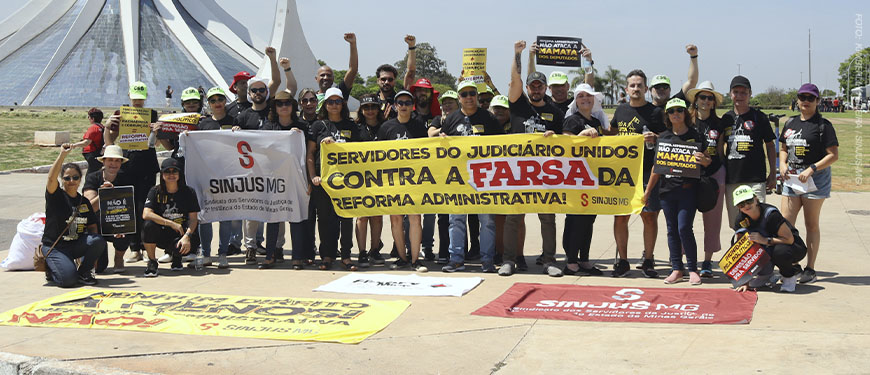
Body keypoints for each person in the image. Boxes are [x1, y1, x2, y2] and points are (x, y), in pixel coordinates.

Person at [502, 40, 564, 277]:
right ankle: (509, 260)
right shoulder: (517, 105)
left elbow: (566, 138)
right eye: (532, 86)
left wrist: (555, 138)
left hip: (545, 173)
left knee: (547, 218)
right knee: (513, 217)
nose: (536, 89)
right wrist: (517, 54)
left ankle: (549, 260)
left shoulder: (555, 112)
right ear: (527, 88)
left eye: (540, 86)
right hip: (518, 171)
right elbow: (515, 78)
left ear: (546, 88)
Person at [644, 98, 712, 285]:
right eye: (672, 110)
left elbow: (708, 160)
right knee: (671, 230)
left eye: (679, 110)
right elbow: (656, 167)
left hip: (688, 190)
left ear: (685, 114)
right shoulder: (663, 137)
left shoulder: (695, 135)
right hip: (666, 192)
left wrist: (703, 160)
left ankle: (692, 269)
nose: (676, 113)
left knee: (684, 228)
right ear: (667, 115)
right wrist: (647, 192)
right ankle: (676, 268)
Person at [439, 81, 504, 273]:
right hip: (457, 179)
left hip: (484, 178)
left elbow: (502, 145)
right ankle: (456, 259)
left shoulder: (489, 118)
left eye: (472, 93)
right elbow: (441, 150)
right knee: (456, 220)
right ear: (459, 98)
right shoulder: (451, 119)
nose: (469, 97)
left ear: (477, 96)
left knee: (487, 221)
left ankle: (487, 260)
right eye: (465, 94)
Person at [779, 83, 839, 284]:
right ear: (797, 100)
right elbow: (783, 147)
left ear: (817, 101)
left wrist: (812, 168)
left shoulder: (823, 126)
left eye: (810, 98)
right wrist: (782, 163)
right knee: (785, 224)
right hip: (792, 179)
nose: (805, 101)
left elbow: (833, 155)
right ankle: (792, 264)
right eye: (802, 97)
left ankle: (810, 269)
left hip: (815, 180)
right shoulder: (790, 123)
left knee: (811, 224)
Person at [607, 69, 663, 278]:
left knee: (649, 217)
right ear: (626, 89)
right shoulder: (620, 111)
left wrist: (655, 138)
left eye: (640, 85)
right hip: (623, 173)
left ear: (646, 89)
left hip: (648, 172)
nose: (636, 88)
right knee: (620, 217)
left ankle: (648, 260)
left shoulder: (656, 112)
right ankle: (622, 261)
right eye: (632, 85)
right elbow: (611, 136)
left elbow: (667, 138)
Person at [104, 82, 160, 265]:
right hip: (127, 164)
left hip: (146, 165)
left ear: (145, 97)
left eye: (140, 97)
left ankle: (147, 247)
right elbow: (111, 141)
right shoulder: (121, 113)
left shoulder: (151, 114)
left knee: (145, 207)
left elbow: (154, 143)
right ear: (129, 95)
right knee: (129, 208)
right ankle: (134, 249)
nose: (137, 100)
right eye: (135, 96)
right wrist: (109, 127)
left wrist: (154, 131)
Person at [309, 87, 361, 271]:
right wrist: (313, 176)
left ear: (343, 104)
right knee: (325, 219)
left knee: (345, 218)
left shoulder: (351, 125)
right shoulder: (318, 125)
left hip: (346, 181)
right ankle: (327, 255)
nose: (334, 105)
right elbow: (310, 154)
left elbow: (360, 152)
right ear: (325, 104)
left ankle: (346, 256)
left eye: (337, 101)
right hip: (323, 181)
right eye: (330, 102)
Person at [377, 90, 429, 271]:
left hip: (415, 180)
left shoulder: (420, 126)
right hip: (393, 180)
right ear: (395, 105)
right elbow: (377, 155)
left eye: (408, 102)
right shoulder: (386, 127)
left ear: (412, 105)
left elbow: (428, 152)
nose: (404, 106)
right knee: (396, 219)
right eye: (400, 102)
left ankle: (416, 260)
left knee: (415, 217)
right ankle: (401, 257)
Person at [259, 90, 311, 270]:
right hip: (274, 179)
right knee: (273, 217)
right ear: (274, 107)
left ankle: (297, 257)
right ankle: (270, 255)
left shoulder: (302, 127)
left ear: (293, 106)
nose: (283, 107)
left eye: (287, 103)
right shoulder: (268, 127)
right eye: (279, 104)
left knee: (296, 218)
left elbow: (308, 155)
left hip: (296, 177)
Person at [40, 144, 104, 287]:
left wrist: (92, 257)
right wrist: (62, 154)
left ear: (80, 179)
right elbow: (51, 179)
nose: (71, 181)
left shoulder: (84, 201)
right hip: (56, 246)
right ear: (62, 180)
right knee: (68, 281)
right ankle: (52, 268)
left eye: (75, 177)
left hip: (75, 245)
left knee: (98, 240)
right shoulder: (56, 196)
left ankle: (84, 272)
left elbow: (92, 226)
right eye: (67, 178)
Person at [561, 84, 608, 276]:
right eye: (580, 96)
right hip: (575, 178)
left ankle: (585, 259)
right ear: (576, 101)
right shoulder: (572, 120)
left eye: (588, 96)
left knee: (589, 220)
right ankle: (571, 261)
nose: (585, 99)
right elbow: (564, 144)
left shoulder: (597, 121)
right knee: (576, 220)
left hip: (593, 177)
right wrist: (582, 135)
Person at [196, 87, 243, 269]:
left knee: (225, 216)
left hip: (228, 175)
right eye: (213, 100)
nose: (217, 103)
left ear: (225, 101)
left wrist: (239, 131)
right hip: (208, 175)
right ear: (208, 103)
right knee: (205, 216)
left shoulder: (235, 121)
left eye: (220, 99)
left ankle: (223, 253)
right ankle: (206, 253)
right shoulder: (204, 124)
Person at [722, 76, 777, 225]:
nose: (739, 96)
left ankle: (759, 249)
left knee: (757, 223)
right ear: (730, 94)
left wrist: (773, 173)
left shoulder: (759, 117)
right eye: (736, 92)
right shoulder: (726, 118)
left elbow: (770, 145)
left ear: (750, 94)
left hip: (755, 179)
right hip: (732, 179)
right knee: (737, 224)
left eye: (743, 92)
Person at [732, 185, 807, 293]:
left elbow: (789, 240)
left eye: (748, 201)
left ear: (756, 199)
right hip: (769, 247)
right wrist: (745, 282)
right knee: (748, 249)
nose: (746, 206)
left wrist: (765, 240)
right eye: (741, 204)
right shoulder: (740, 220)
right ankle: (765, 276)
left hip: (793, 247)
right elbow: (741, 250)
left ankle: (789, 276)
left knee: (779, 251)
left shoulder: (771, 214)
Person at [686, 81, 726, 277]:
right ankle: (687, 260)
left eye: (710, 98)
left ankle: (708, 261)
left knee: (712, 221)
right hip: (688, 175)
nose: (706, 101)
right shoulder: (686, 120)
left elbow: (720, 151)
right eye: (702, 97)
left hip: (713, 174)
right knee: (685, 219)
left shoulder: (719, 124)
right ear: (696, 100)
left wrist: (709, 163)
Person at [141, 158, 200, 277]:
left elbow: (194, 219)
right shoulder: (155, 191)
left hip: (181, 233)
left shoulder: (189, 192)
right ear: (162, 174)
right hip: (162, 232)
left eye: (175, 172)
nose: (171, 175)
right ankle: (152, 262)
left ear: (179, 174)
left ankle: (177, 258)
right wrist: (170, 223)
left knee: (189, 239)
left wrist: (187, 236)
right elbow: (146, 214)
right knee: (148, 225)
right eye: (167, 172)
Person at [82, 145, 135, 274]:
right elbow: (88, 209)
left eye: (117, 160)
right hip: (95, 223)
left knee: (126, 227)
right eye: (110, 160)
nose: (113, 163)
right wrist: (104, 195)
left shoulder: (126, 178)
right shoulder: (92, 178)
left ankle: (119, 258)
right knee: (100, 268)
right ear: (104, 161)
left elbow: (128, 208)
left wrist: (120, 225)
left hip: (115, 219)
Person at [428, 90, 459, 264]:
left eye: (451, 102)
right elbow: (430, 134)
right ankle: (444, 252)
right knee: (444, 216)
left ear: (458, 104)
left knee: (465, 217)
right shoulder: (438, 120)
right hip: (442, 173)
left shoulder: (463, 118)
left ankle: (465, 251)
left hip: (462, 172)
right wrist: (445, 126)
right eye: (444, 103)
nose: (447, 106)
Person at [355, 94, 386, 267]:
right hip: (359, 178)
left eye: (374, 106)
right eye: (366, 107)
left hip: (381, 178)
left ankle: (375, 250)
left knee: (377, 216)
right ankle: (362, 252)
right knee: (362, 216)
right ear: (361, 110)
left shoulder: (385, 127)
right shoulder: (356, 128)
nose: (370, 110)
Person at [74, 108, 105, 173]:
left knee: (91, 173)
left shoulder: (93, 128)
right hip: (99, 152)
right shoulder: (102, 127)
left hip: (91, 153)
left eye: (89, 117)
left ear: (93, 118)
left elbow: (86, 142)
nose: (88, 118)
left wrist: (74, 145)